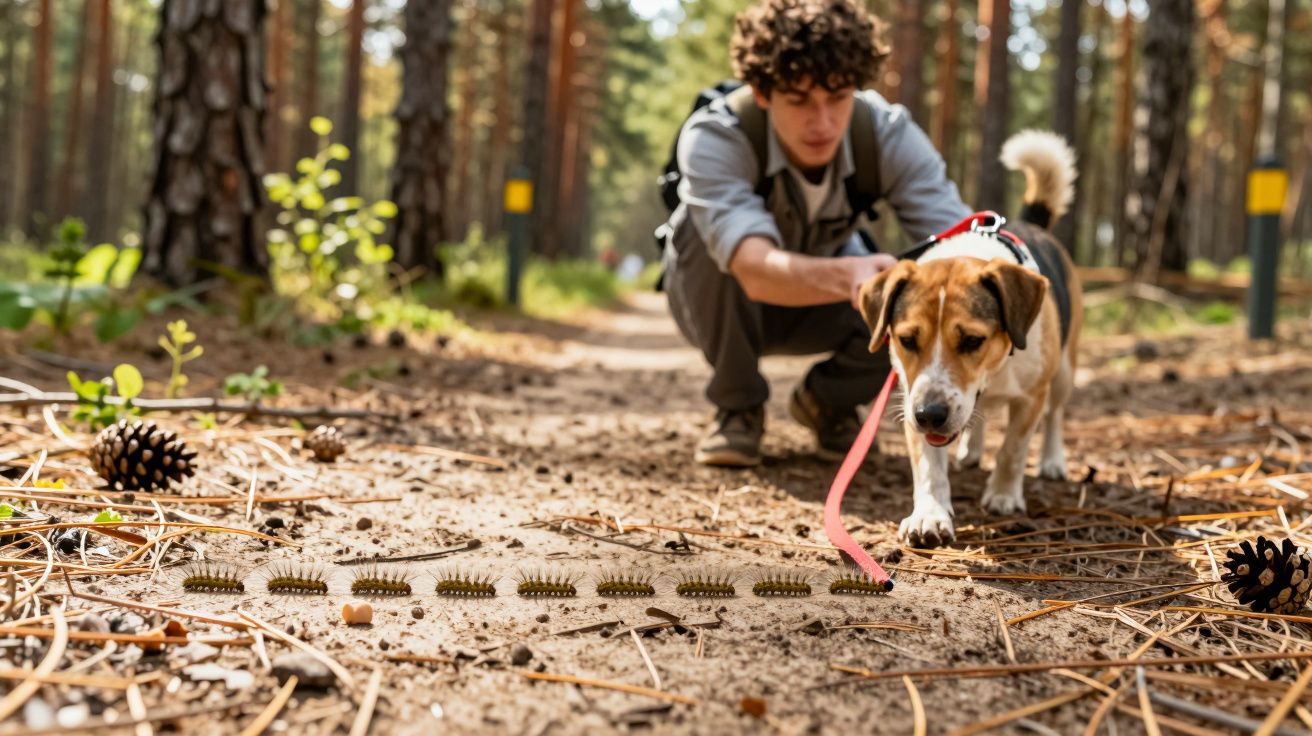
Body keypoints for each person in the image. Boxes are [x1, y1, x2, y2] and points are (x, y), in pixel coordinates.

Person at [659, 0, 972, 467]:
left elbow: (961, 245)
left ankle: (829, 401)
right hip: (717, 304)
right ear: (762, 92)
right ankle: (737, 407)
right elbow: (752, 268)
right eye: (799, 99)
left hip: (826, 312)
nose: (822, 122)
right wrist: (851, 278)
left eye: (838, 97)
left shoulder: (887, 134)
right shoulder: (717, 134)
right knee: (697, 234)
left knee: (907, 300)